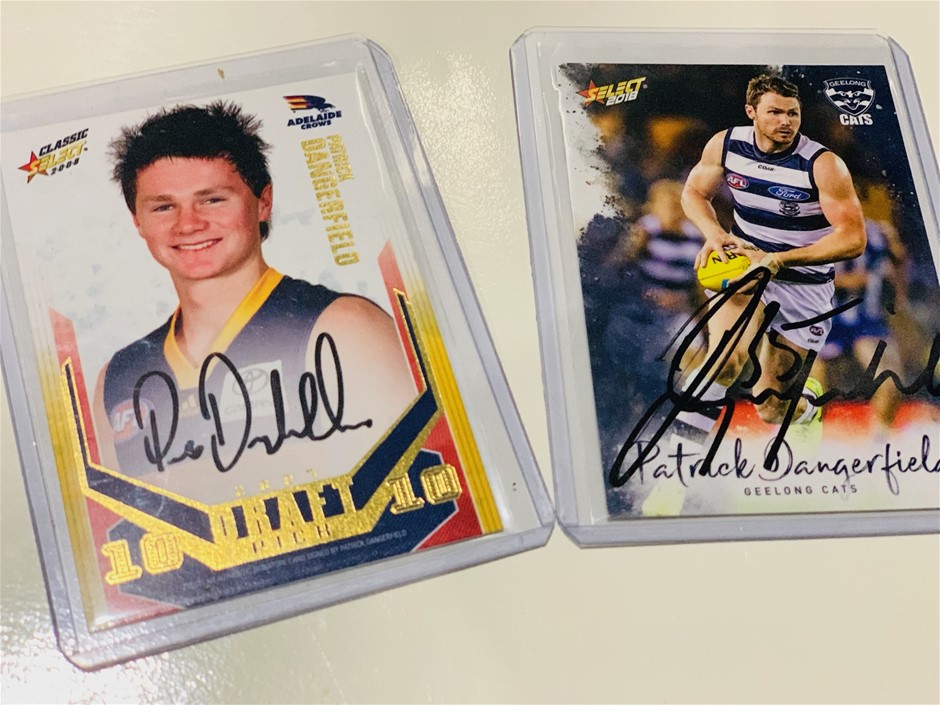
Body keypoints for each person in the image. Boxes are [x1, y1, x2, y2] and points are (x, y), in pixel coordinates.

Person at [92, 102, 415, 502]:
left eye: (212, 200)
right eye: (163, 206)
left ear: (263, 202)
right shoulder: (118, 378)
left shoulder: (344, 329)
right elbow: (129, 523)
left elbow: (413, 501)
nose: (188, 224)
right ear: (137, 221)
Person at [641, 74, 866, 515]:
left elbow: (853, 238)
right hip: (747, 270)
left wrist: (781, 259)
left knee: (771, 408)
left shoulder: (823, 165)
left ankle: (806, 410)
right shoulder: (726, 145)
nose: (786, 121)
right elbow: (693, 192)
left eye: (793, 113)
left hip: (805, 286)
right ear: (751, 113)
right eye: (775, 112)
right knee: (722, 361)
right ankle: (673, 479)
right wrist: (714, 234)